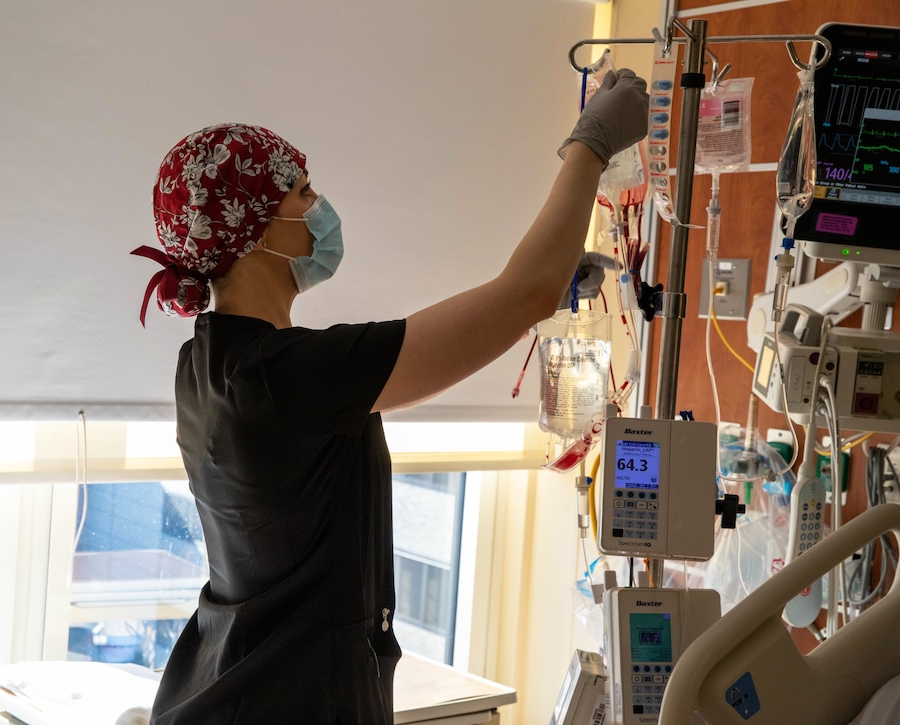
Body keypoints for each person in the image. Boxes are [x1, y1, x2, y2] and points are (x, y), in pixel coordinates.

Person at [132, 69, 648, 724]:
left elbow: (503, 305)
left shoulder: (207, 361)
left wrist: (533, 287)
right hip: (286, 698)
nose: (319, 206)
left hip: (229, 682)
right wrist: (592, 141)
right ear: (254, 226)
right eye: (302, 190)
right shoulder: (293, 376)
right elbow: (525, 292)